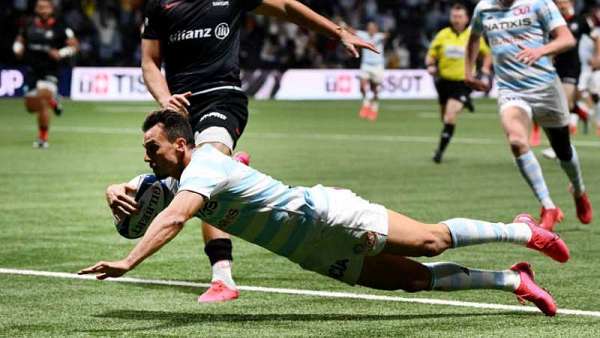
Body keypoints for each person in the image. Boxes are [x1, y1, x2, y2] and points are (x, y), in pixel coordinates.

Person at [80, 109, 571, 317]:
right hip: (309, 253)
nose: (147, 157)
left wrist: (129, 263)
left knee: (430, 242)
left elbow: (171, 218)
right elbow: (141, 194)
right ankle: (513, 282)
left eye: (153, 148)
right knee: (414, 281)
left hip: (328, 215)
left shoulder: (204, 167)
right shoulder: (175, 177)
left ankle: (520, 230)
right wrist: (111, 188)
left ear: (181, 144)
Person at [137, 0, 377, 303]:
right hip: (180, 110)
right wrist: (165, 99)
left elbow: (287, 6)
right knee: (201, 181)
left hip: (222, 100)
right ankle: (235, 168)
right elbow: (149, 61)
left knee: (203, 178)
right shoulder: (160, 5)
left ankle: (222, 278)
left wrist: (338, 32)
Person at [465, 0, 593, 231]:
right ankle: (548, 206)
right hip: (510, 90)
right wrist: (468, 72)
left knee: (563, 149)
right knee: (516, 141)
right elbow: (473, 38)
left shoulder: (539, 4)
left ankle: (579, 190)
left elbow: (567, 39)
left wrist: (540, 50)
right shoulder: (483, 8)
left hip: (545, 88)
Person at [426, 3, 492, 164]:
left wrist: (484, 68)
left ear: (467, 18)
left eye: (459, 17)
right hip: (443, 82)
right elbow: (431, 55)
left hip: (463, 82)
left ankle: (439, 152)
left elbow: (487, 54)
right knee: (444, 117)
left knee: (450, 117)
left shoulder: (473, 35)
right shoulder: (443, 35)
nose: (456, 20)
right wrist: (430, 65)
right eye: (454, 17)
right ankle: (466, 102)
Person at [13, 0, 78, 148]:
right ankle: (53, 101)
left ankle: (42, 138)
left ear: (51, 9)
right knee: (30, 107)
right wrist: (17, 48)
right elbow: (20, 39)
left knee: (42, 99)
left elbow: (74, 45)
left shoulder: (61, 26)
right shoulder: (28, 25)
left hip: (50, 70)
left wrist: (61, 53)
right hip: (32, 70)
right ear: (36, 9)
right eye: (40, 7)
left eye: (46, 8)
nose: (43, 10)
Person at [537, 0, 598, 156]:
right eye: (556, 3)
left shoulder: (580, 20)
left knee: (562, 104)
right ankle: (583, 112)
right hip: (553, 68)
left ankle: (560, 147)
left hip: (571, 68)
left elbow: (596, 37)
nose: (559, 6)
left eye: (561, 2)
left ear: (569, 2)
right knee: (567, 104)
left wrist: (597, 56)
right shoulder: (553, 22)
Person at [356, 21, 388, 121]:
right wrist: (343, 25)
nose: (371, 30)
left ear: (376, 29)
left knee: (375, 89)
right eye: (369, 28)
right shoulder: (363, 35)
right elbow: (352, 31)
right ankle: (366, 103)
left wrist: (386, 32)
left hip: (378, 65)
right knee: (362, 85)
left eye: (373, 28)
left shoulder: (379, 36)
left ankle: (374, 108)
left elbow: (387, 35)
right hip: (366, 65)